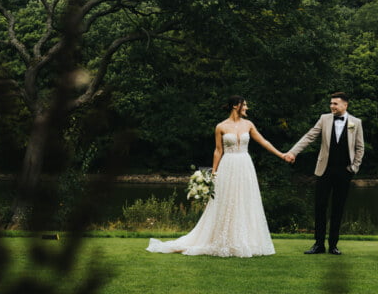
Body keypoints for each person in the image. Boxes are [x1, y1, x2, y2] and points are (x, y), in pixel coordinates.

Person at [146, 95, 290, 257]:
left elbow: (264, 142)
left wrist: (282, 155)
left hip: (245, 166)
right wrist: (214, 172)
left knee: (245, 200)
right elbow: (218, 150)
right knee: (226, 201)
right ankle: (224, 240)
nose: (247, 108)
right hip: (228, 165)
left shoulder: (248, 125)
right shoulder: (221, 127)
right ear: (236, 106)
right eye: (245, 105)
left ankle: (245, 241)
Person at [284, 92, 364, 255]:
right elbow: (309, 137)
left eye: (335, 103)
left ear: (345, 105)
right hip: (324, 170)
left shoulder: (356, 123)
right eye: (331, 103)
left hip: (344, 172)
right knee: (320, 207)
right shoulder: (324, 119)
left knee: (338, 208)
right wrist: (293, 152)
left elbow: (360, 147)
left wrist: (354, 167)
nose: (332, 106)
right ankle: (318, 245)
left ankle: (333, 245)